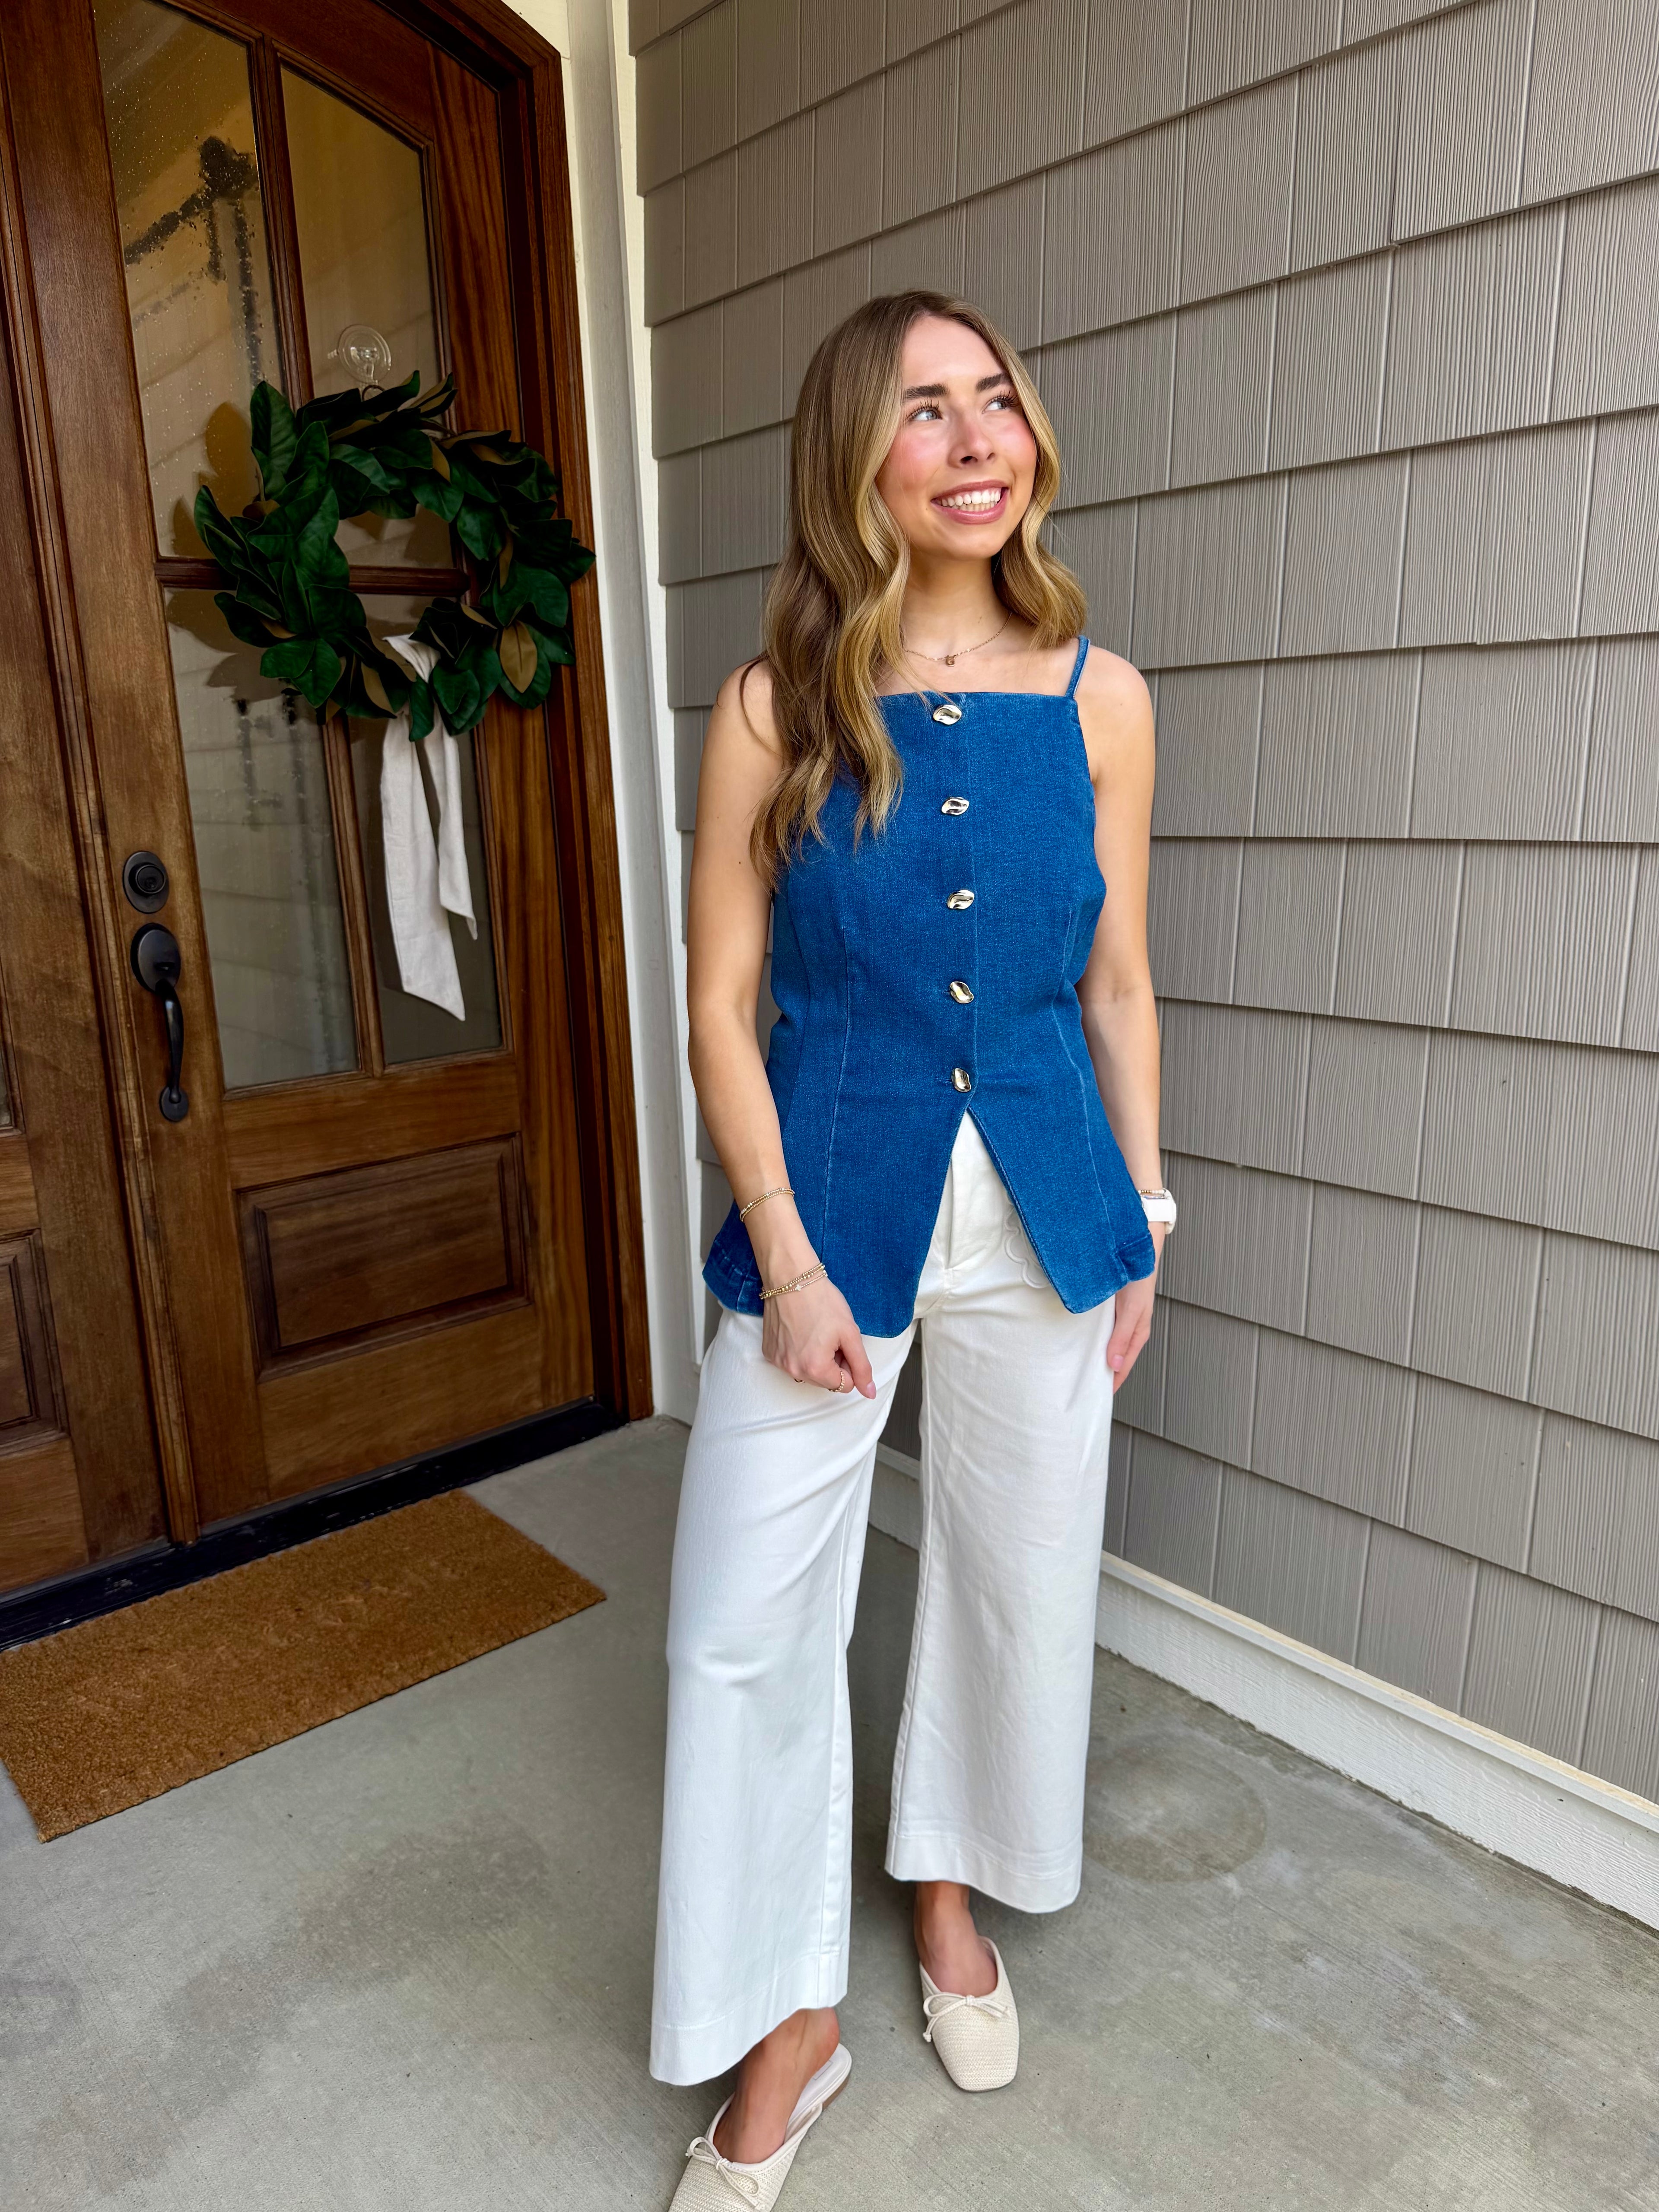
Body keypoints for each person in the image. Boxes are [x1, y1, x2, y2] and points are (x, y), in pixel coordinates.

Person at [653, 289, 1176, 2209]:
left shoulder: (1104, 697)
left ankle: (943, 1889)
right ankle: (790, 2014)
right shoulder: (777, 705)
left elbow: (1116, 979)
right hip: (835, 1201)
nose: (975, 440)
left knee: (1013, 1569)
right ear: (857, 464)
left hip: (1049, 1199)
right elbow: (720, 1001)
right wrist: (781, 1253)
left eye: (996, 401)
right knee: (737, 1624)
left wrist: (1147, 1216)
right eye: (923, 413)